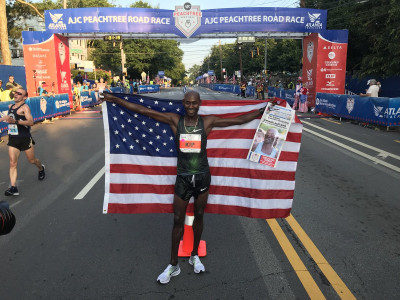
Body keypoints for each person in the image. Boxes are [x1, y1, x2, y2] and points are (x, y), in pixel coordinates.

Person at [101, 90, 265, 284]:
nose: (191, 107)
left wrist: (262, 111)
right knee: (178, 219)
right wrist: (114, 100)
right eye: (187, 103)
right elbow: (143, 110)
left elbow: (238, 120)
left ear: (200, 103)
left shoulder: (207, 122)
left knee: (199, 215)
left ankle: (194, 255)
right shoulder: (174, 120)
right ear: (183, 103)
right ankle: (173, 264)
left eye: (194, 103)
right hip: (183, 179)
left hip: (203, 177)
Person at [0, 88, 45, 196]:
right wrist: (2, 119)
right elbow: (9, 117)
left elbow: (31, 122)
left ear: (24, 97)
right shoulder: (10, 106)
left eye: (19, 93)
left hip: (24, 138)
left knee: (32, 160)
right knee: (12, 163)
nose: (15, 94)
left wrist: (15, 121)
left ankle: (41, 168)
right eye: (15, 92)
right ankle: (13, 187)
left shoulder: (25, 107)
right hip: (13, 139)